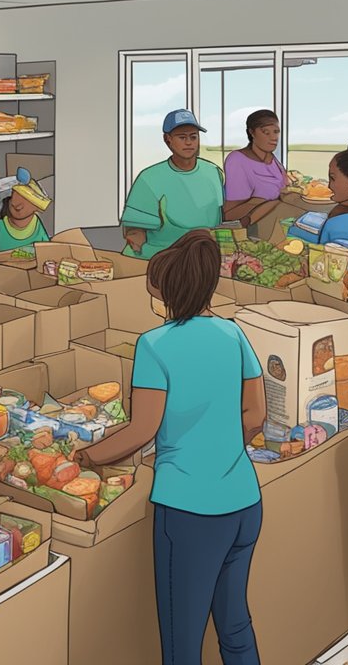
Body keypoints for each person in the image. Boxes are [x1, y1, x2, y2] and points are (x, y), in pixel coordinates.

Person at [80, 230, 264, 665]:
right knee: (235, 627)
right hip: (243, 502)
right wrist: (218, 446)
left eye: (154, 292)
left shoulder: (155, 344)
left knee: (183, 645)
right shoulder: (233, 334)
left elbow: (142, 430)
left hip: (189, 511)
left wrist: (86, 457)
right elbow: (255, 416)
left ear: (171, 293)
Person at [122, 109, 225, 259]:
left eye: (193, 136)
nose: (189, 142)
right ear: (167, 139)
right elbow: (134, 230)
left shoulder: (213, 172)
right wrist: (136, 241)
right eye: (182, 137)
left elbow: (218, 219)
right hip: (162, 258)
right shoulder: (149, 178)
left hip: (205, 256)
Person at [222, 109, 296, 227]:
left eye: (276, 132)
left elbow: (286, 190)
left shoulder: (274, 161)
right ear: (252, 132)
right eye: (266, 132)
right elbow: (230, 214)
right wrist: (266, 203)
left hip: (279, 221)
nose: (274, 137)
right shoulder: (237, 160)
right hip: (251, 227)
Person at [0, 167, 51, 252]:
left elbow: (46, 251)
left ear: (36, 207)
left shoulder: (38, 227)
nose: (17, 205)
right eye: (13, 197)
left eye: (26, 199)